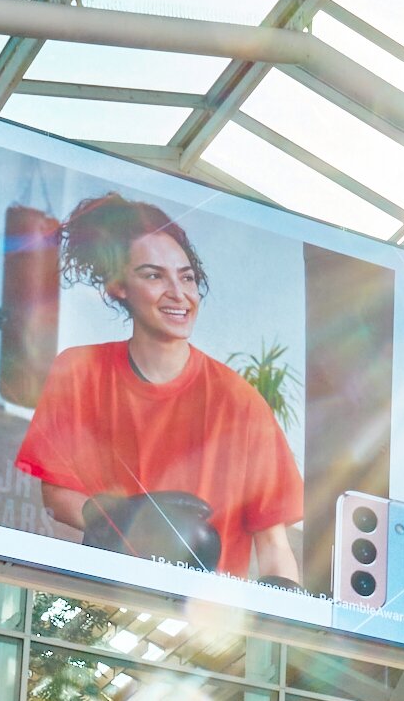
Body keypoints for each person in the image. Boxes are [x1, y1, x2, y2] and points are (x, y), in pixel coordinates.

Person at [15, 192, 306, 584]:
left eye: (186, 276)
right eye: (153, 275)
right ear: (117, 287)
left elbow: (274, 547)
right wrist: (124, 518)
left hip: (202, 629)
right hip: (103, 598)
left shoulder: (242, 404)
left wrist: (281, 625)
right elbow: (57, 496)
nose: (178, 293)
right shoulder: (79, 370)